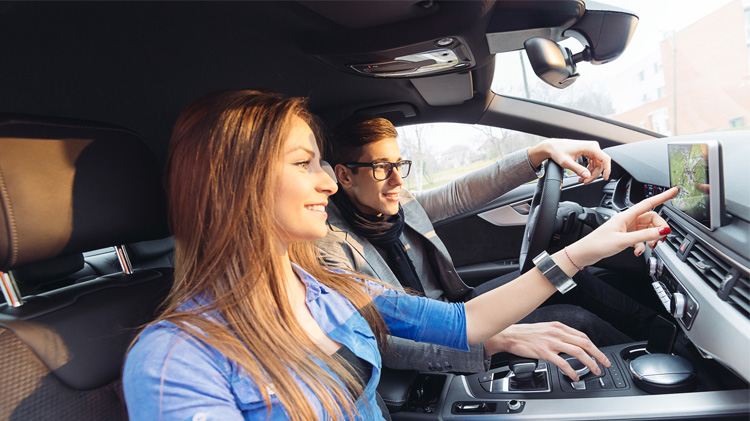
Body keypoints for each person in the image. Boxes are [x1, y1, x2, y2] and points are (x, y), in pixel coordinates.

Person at [122, 90, 677, 420]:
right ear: (236, 184)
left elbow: (467, 319)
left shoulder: (323, 285)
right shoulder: (173, 360)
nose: (328, 186)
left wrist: (583, 250)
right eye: (304, 165)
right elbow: (437, 340)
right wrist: (502, 340)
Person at [317, 117, 655, 374]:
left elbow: (461, 194)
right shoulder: (329, 248)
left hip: (459, 307)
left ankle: (658, 335)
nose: (397, 179)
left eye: (398, 164)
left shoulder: (394, 203)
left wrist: (539, 152)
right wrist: (491, 343)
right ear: (344, 177)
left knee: (563, 277)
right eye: (381, 168)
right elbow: (382, 343)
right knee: (575, 319)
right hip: (439, 341)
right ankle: (653, 369)